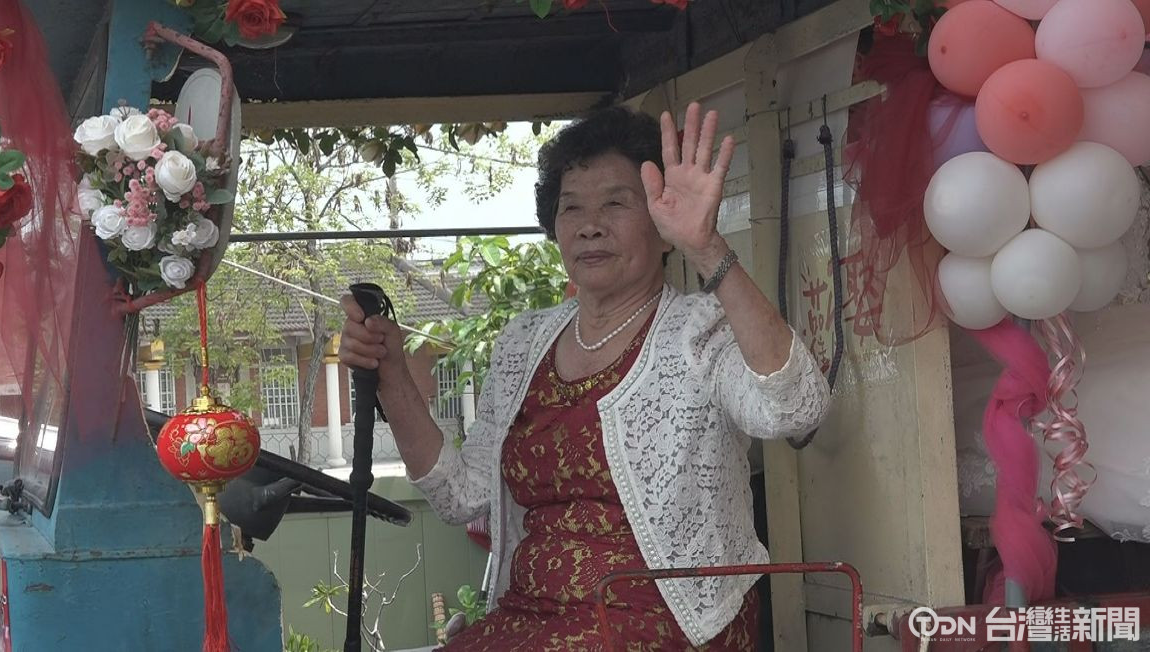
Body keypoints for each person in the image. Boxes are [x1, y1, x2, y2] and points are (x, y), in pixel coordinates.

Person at [339, 102, 831, 650]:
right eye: (571, 207)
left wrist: (707, 248)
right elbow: (460, 495)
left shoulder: (702, 330)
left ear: (663, 229)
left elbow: (798, 407)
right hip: (530, 616)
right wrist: (392, 374)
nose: (590, 225)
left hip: (669, 624)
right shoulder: (524, 341)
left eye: (616, 203)